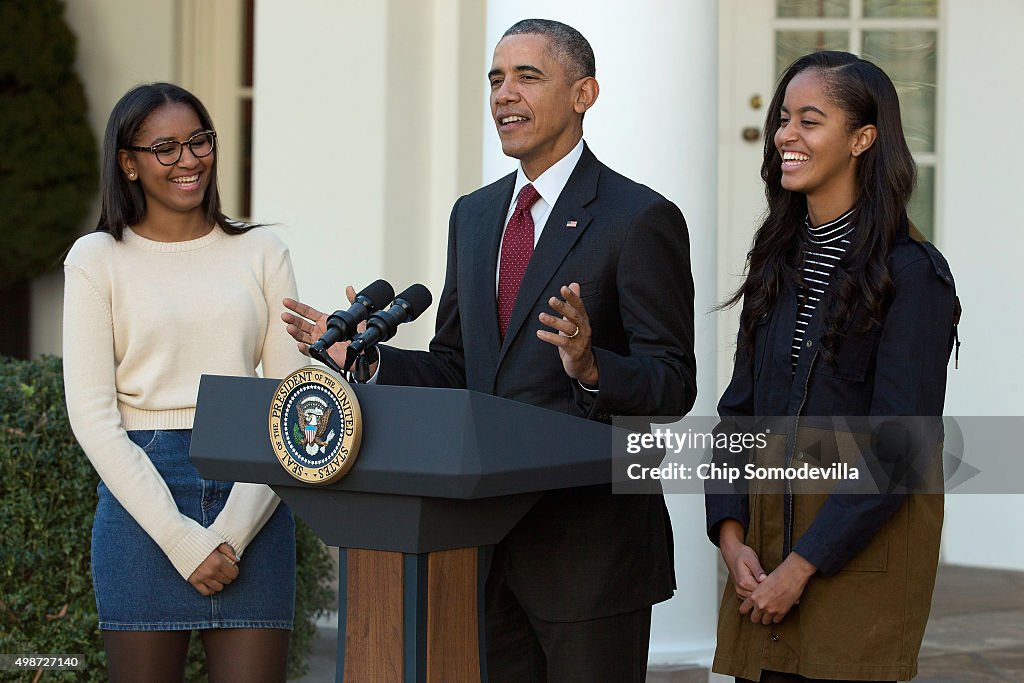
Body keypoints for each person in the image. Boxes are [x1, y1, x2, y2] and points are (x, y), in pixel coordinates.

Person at [282, 18, 696, 682]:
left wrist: (592, 367)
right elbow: (457, 366)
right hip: (481, 548)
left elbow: (673, 383)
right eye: (496, 79)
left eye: (528, 76)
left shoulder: (638, 218)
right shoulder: (473, 217)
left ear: (585, 93)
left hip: (590, 558)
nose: (505, 94)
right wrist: (366, 360)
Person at [705, 51, 957, 682]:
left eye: (810, 121)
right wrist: (731, 535)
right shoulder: (777, 262)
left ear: (862, 139)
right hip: (761, 558)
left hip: (854, 565)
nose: (786, 135)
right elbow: (738, 411)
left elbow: (901, 446)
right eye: (784, 119)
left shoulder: (912, 276)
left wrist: (802, 567)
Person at [63, 83, 305, 683]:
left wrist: (231, 533)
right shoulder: (96, 259)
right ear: (128, 162)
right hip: (142, 498)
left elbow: (295, 403)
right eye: (164, 148)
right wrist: (180, 538)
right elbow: (94, 418)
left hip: (256, 484)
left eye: (198, 141)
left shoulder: (262, 251)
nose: (188, 160)